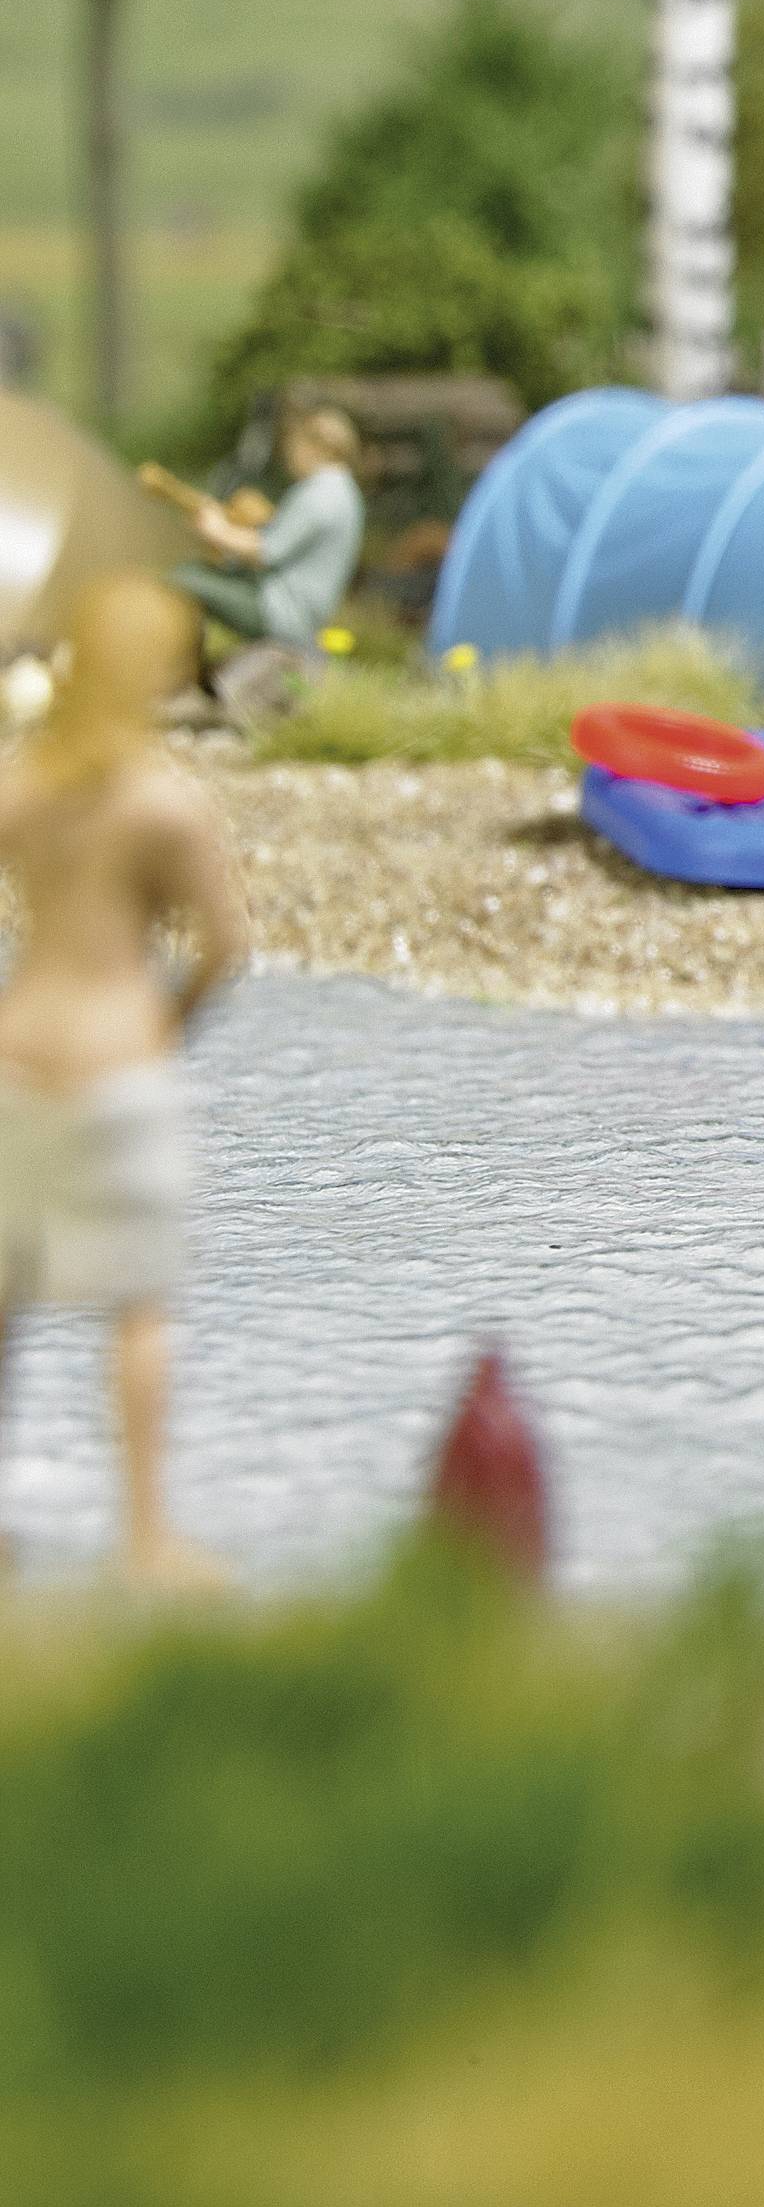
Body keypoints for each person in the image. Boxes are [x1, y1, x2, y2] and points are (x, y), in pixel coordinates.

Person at [0, 573, 248, 1588]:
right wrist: (168, 1024)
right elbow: (225, 944)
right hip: (116, 1052)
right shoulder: (163, 803)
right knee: (139, 1303)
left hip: (15, 1051)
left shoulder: (19, 784)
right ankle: (145, 1539)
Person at [160, 406, 364, 699]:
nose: (289, 457)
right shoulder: (342, 490)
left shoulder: (322, 493)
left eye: (292, 447)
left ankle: (180, 678)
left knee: (182, 578)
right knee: (199, 573)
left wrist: (216, 529)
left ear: (314, 447)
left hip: (283, 611)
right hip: (297, 608)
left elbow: (267, 552)